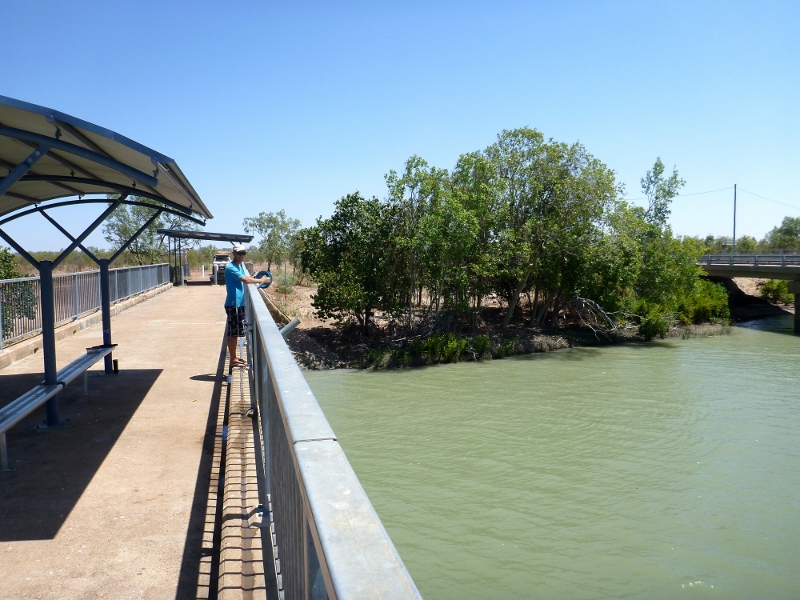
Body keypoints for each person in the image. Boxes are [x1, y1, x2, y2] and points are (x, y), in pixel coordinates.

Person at [224, 244, 271, 368]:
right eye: (239, 253)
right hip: (234, 304)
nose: (241, 255)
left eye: (243, 253)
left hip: (239, 304)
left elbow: (247, 277)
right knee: (232, 332)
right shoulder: (231, 267)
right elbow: (246, 280)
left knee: (235, 332)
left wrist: (254, 278)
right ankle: (233, 359)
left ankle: (234, 357)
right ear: (234, 254)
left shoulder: (239, 266)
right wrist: (262, 281)